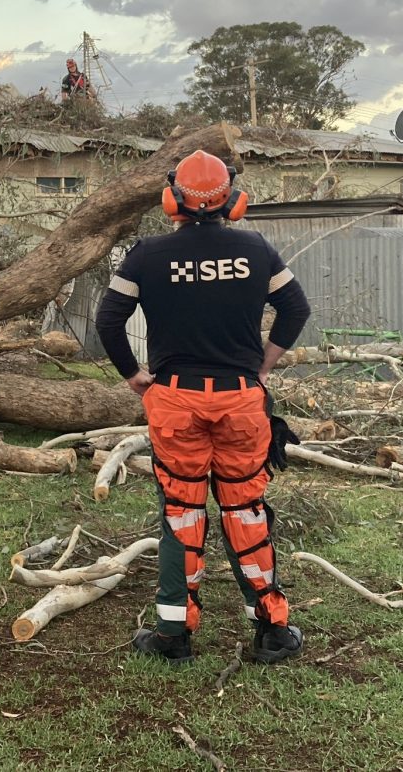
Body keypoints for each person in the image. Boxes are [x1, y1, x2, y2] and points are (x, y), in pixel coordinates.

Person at [95, 149, 311, 666]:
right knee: (245, 508)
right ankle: (273, 628)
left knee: (181, 512)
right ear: (232, 199)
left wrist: (135, 378)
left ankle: (174, 634)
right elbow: (296, 308)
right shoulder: (255, 249)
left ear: (172, 199)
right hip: (241, 399)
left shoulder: (146, 254)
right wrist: (262, 368)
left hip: (174, 399)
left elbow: (108, 321)